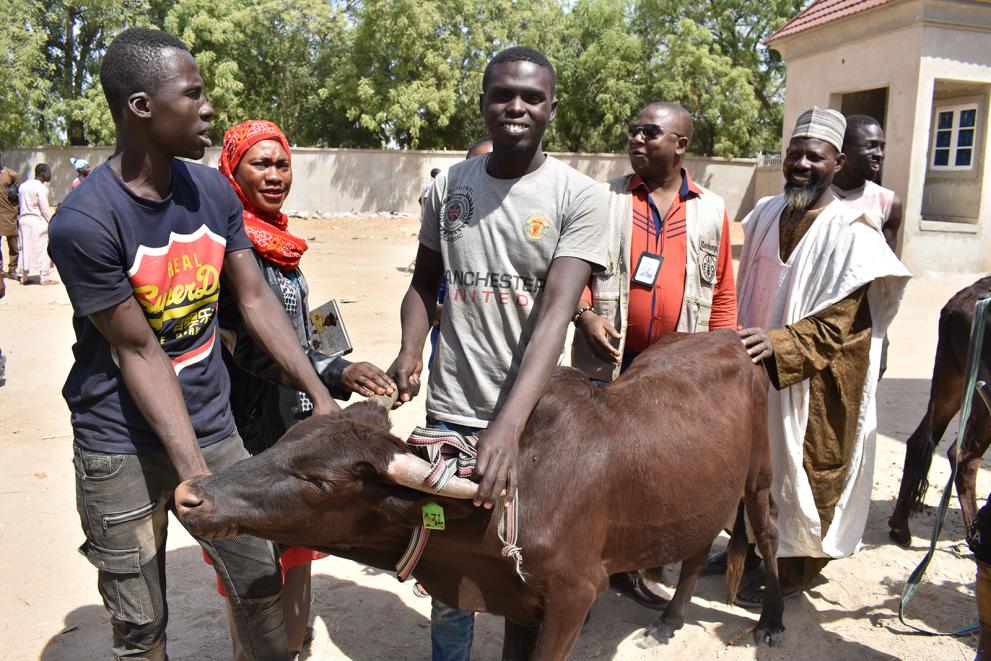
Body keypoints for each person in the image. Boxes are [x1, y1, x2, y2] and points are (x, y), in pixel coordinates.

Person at [47, 27, 340, 660]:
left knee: (259, 582)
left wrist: (322, 395)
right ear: (141, 107)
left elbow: (257, 300)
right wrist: (198, 479)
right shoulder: (85, 222)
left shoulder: (210, 192)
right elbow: (138, 352)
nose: (208, 108)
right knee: (139, 624)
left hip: (212, 426)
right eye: (194, 94)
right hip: (117, 443)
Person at [388, 47, 608, 661]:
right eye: (502, 94)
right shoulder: (448, 188)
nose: (516, 107)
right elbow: (423, 284)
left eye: (531, 97)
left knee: (531, 555)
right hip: (451, 409)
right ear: (482, 102)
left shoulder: (580, 198)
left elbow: (556, 318)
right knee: (451, 562)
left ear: (551, 110)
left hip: (537, 421)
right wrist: (410, 350)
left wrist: (508, 428)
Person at [214, 118, 395, 657]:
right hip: (254, 419)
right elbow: (247, 347)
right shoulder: (231, 247)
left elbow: (301, 324)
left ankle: (290, 637)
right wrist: (335, 374)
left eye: (282, 163)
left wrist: (340, 358)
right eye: (259, 164)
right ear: (232, 169)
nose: (274, 175)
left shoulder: (281, 240)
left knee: (296, 531)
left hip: (296, 411)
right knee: (254, 535)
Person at [733, 107, 910, 604]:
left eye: (816, 156)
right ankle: (744, 547)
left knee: (804, 468)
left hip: (817, 379)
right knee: (748, 460)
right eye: (795, 153)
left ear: (837, 163)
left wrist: (778, 343)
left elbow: (840, 324)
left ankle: (796, 567)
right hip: (754, 364)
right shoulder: (768, 212)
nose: (802, 164)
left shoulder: (854, 231)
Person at [570, 101, 737, 607]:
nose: (636, 139)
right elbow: (573, 272)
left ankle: (640, 561)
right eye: (633, 130)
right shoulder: (603, 200)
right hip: (609, 360)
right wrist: (586, 315)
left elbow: (724, 293)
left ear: (680, 145)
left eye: (650, 132)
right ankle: (591, 565)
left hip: (675, 369)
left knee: (658, 461)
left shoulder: (712, 209)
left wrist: (717, 361)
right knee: (599, 463)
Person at [427, 136, 494, 369]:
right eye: (473, 165)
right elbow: (428, 289)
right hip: (451, 360)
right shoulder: (451, 226)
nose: (481, 174)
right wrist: (438, 311)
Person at [830, 114, 902, 251]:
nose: (880, 154)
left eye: (882, 147)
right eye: (871, 146)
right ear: (842, 149)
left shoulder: (888, 203)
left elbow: (887, 262)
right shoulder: (815, 196)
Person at [18, 163, 57, 285]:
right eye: (48, 172)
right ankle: (44, 277)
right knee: (42, 247)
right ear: (43, 173)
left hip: (23, 220)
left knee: (25, 248)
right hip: (36, 220)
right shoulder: (41, 188)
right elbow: (44, 208)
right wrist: (52, 222)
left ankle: (24, 276)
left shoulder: (23, 186)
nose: (50, 174)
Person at [0, 156, 20, 279]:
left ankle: (12, 269)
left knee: (13, 244)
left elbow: (18, 194)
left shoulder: (11, 174)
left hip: (9, 214)